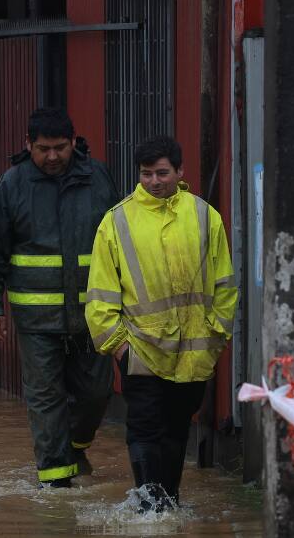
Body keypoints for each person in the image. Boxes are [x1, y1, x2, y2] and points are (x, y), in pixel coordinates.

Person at [85, 135, 237, 508]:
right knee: (145, 429)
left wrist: (216, 336)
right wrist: (121, 349)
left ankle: (169, 504)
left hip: (195, 355)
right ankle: (152, 508)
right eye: (146, 174)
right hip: (141, 352)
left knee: (175, 430)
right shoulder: (116, 222)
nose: (154, 181)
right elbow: (100, 298)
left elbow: (225, 285)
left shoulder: (204, 216)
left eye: (162, 173)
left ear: (180, 171)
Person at [0, 107, 121, 488]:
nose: (52, 157)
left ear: (74, 143)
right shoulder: (12, 185)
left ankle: (75, 447)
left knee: (96, 393)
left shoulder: (98, 177)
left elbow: (122, 240)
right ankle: (56, 488)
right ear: (28, 145)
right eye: (43, 149)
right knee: (45, 399)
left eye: (60, 147)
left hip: (95, 314)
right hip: (36, 322)